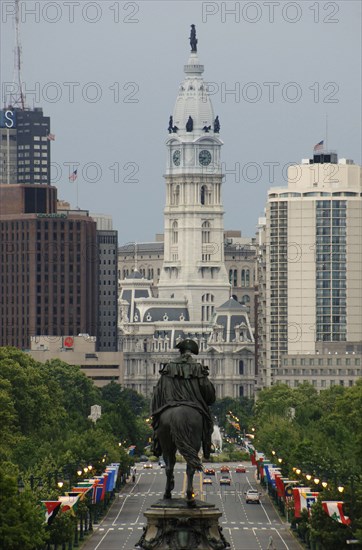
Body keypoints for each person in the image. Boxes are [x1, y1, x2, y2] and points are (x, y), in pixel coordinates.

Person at [150, 338, 216, 459]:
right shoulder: (198, 368)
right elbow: (208, 390)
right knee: (208, 423)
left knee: (158, 422)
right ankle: (207, 447)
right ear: (191, 353)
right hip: (194, 404)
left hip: (170, 403)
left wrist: (155, 411)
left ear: (180, 352)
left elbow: (158, 390)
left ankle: (156, 445)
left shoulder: (169, 367)